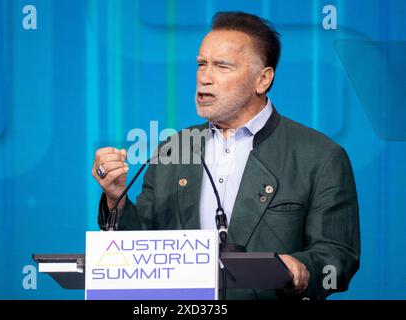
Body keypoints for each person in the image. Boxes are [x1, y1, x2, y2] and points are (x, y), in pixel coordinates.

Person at [92, 12, 360, 300]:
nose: (204, 78)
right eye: (201, 64)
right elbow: (143, 246)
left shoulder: (320, 155)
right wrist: (115, 197)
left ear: (263, 80)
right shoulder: (174, 148)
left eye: (222, 66)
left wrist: (303, 269)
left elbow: (338, 256)